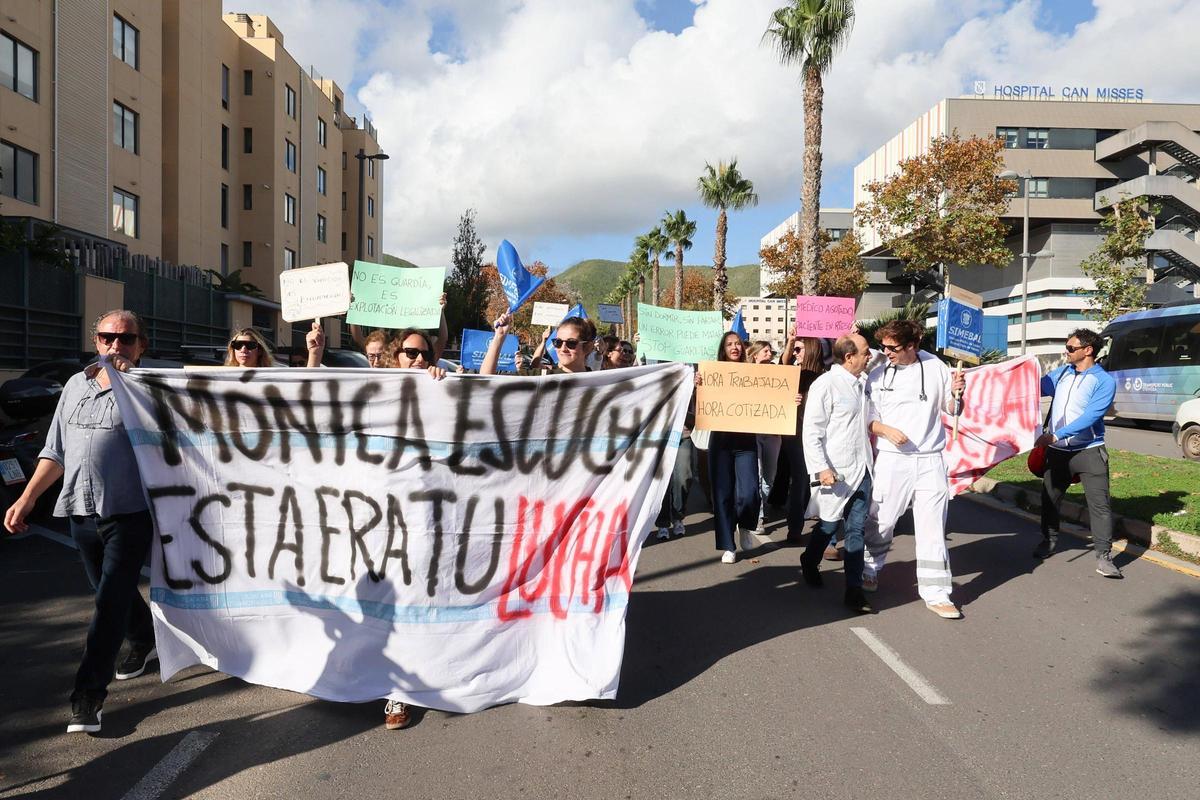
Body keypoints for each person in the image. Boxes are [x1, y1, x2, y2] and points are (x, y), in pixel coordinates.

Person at [3, 310, 158, 733]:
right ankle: (144, 639)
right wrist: (27, 498)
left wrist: (131, 386)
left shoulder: (150, 390)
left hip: (128, 515)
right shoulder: (76, 385)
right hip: (78, 510)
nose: (115, 346)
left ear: (141, 345)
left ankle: (88, 695)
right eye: (107, 337)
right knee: (109, 592)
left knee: (107, 603)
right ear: (96, 340)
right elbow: (55, 450)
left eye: (126, 339)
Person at [862, 319, 965, 620]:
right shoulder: (877, 372)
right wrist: (884, 429)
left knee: (933, 526)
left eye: (892, 347)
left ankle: (936, 592)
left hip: (931, 459)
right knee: (882, 518)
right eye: (883, 346)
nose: (886, 352)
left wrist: (958, 394)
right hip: (893, 458)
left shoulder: (936, 367)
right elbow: (867, 418)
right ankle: (870, 567)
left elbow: (952, 409)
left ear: (912, 345)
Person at [797, 333, 875, 613]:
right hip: (835, 471)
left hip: (862, 469)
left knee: (855, 529)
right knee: (829, 525)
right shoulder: (825, 385)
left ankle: (853, 590)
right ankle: (809, 559)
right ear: (849, 357)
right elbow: (812, 432)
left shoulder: (864, 383)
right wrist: (821, 467)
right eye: (865, 352)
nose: (870, 356)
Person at [1034, 328, 1121, 578]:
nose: (1067, 351)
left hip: (1089, 451)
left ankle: (1104, 556)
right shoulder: (1061, 373)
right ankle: (1048, 541)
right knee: (1050, 499)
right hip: (1057, 452)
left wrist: (1055, 435)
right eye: (1067, 347)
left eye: (1071, 348)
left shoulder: (1103, 381)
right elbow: (1035, 388)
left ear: (1088, 350)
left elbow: (1091, 416)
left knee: (1100, 505)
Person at [703, 331, 762, 563]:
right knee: (723, 495)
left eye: (738, 343)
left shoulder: (754, 374)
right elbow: (702, 403)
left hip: (746, 440)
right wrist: (699, 384)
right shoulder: (712, 373)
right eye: (729, 344)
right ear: (723, 349)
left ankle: (745, 526)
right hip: (721, 442)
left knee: (749, 492)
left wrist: (789, 400)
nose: (735, 347)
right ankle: (729, 544)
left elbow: (771, 396)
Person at [779, 336, 827, 548]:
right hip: (796, 434)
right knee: (800, 479)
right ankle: (795, 527)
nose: (796, 353)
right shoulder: (793, 375)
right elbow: (782, 366)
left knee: (818, 480)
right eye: (794, 349)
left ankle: (827, 529)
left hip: (821, 435)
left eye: (799, 349)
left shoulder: (826, 377)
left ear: (812, 350)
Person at [481, 313, 595, 376]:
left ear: (588, 347)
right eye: (558, 342)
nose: (563, 348)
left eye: (571, 343)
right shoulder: (540, 377)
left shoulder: (602, 383)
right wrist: (499, 336)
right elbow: (486, 382)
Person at [746, 341, 781, 532]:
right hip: (753, 432)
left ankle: (761, 505)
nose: (769, 354)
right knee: (757, 476)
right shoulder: (745, 375)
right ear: (755, 355)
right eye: (765, 351)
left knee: (769, 478)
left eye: (770, 351)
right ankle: (758, 517)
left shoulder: (779, 374)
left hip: (773, 432)